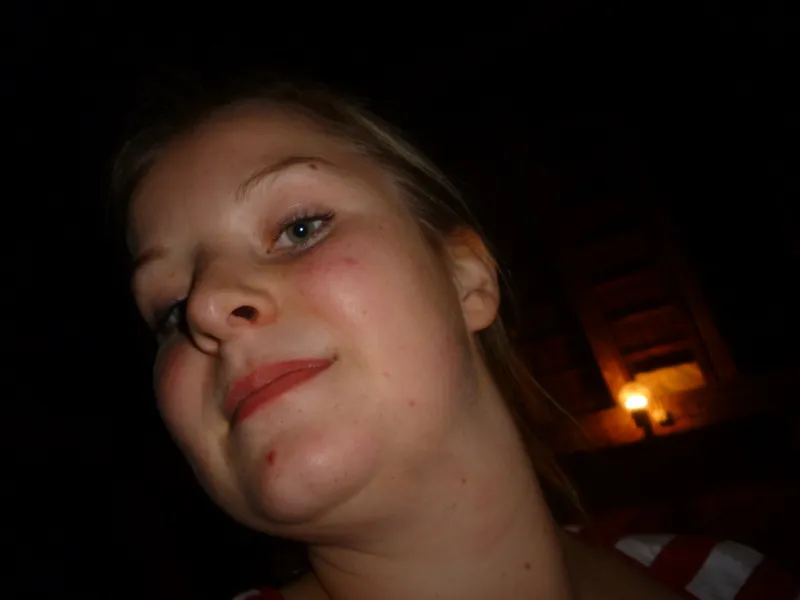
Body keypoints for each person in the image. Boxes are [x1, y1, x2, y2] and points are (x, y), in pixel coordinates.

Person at [112, 82, 794, 600]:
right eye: (169, 310)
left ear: (467, 279)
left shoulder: (731, 580)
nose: (206, 306)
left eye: (299, 228)